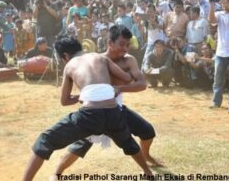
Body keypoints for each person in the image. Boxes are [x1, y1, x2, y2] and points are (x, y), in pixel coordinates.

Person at [22, 37, 152, 181]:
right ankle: (148, 173)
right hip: (113, 111)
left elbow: (64, 101)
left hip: (90, 115)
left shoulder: (70, 65)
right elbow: (127, 78)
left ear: (65, 56)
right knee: (128, 141)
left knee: (44, 140)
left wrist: (83, 94)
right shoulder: (100, 57)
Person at [51, 25, 161, 179]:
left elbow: (142, 84)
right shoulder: (96, 60)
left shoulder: (129, 60)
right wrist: (83, 96)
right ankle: (57, 174)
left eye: (128, 45)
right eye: (122, 44)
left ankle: (146, 157)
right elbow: (74, 90)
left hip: (117, 109)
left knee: (148, 131)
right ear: (110, 43)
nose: (125, 49)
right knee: (80, 145)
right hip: (93, 112)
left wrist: (119, 88)